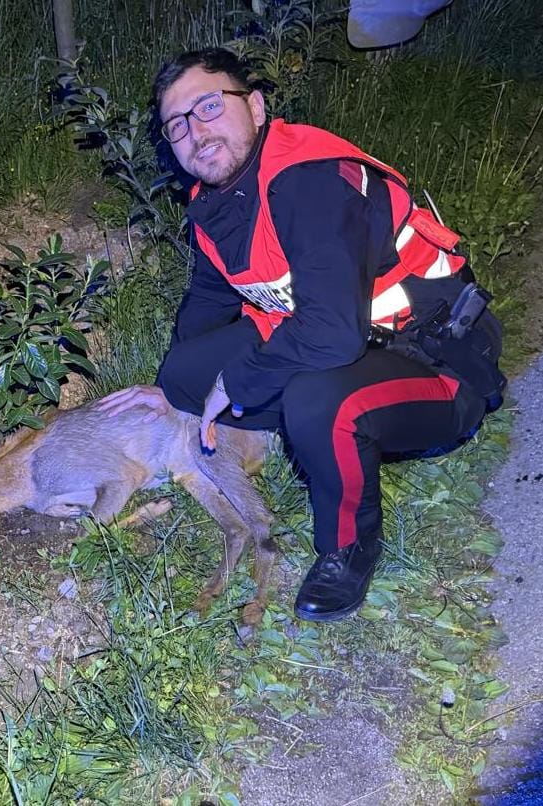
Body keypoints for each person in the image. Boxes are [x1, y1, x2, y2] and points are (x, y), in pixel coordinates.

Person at [101, 48, 505, 623]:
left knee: (315, 400)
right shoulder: (214, 201)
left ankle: (347, 551)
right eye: (177, 125)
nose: (196, 132)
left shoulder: (308, 179)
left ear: (257, 106)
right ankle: (305, 429)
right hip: (352, 341)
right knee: (185, 376)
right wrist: (172, 388)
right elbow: (212, 298)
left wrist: (238, 382)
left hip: (434, 358)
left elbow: (331, 334)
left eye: (210, 106)